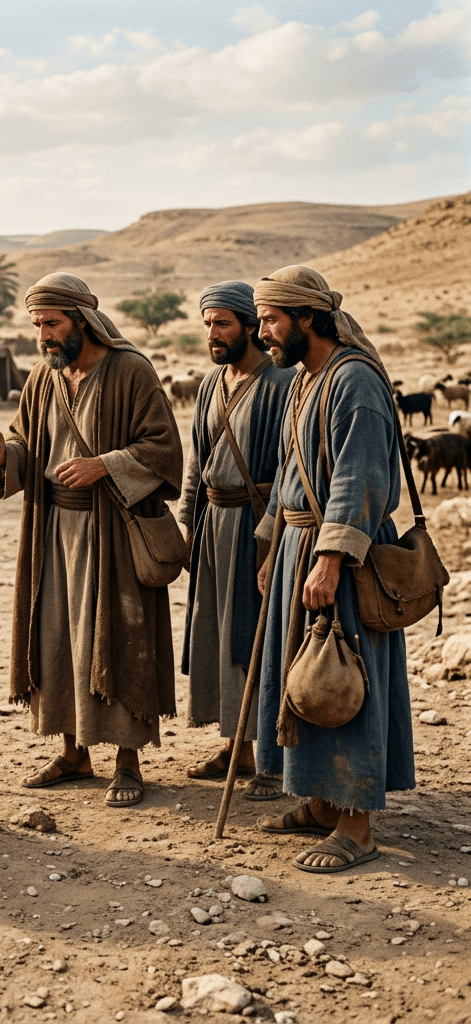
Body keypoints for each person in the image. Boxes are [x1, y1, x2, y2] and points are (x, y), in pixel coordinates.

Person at [0, 272, 182, 808]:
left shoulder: (131, 370)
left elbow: (162, 448)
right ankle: (72, 753)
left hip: (111, 530)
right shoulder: (43, 379)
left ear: (82, 321)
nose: (43, 335)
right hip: (51, 533)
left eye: (52, 323)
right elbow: (25, 445)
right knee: (57, 642)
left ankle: (128, 762)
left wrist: (103, 466)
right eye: (37, 324)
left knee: (117, 640)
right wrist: (4, 457)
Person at [253, 265, 415, 872]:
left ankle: (357, 826)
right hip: (300, 547)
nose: (262, 330)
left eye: (271, 319)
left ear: (308, 318)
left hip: (343, 556)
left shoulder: (354, 382)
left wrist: (329, 559)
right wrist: (273, 547)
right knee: (307, 679)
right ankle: (321, 804)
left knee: (348, 680)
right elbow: (286, 473)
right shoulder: (303, 380)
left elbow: (361, 477)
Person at [179, 282, 293, 800]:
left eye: (222, 323)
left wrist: (273, 533)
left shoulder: (281, 382)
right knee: (220, 633)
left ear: (251, 325)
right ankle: (236, 746)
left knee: (259, 638)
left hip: (260, 527)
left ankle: (270, 758)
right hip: (213, 525)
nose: (212, 334)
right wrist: (187, 520)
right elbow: (196, 462)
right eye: (207, 324)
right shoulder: (210, 383)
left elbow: (292, 467)